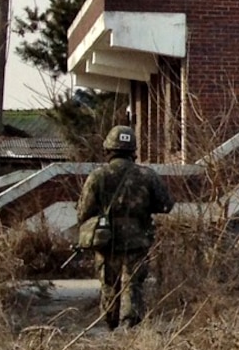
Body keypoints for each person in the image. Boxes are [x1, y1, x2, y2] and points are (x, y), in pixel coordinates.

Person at [75, 124, 175, 329]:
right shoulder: (147, 175)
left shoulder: (97, 176)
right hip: (137, 239)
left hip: (106, 239)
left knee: (109, 284)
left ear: (109, 149)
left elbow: (83, 212)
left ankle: (110, 324)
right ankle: (130, 325)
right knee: (133, 284)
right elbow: (165, 205)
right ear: (133, 151)